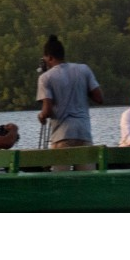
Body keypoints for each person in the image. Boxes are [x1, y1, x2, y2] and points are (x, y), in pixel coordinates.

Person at [36, 34, 103, 170]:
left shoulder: (45, 78)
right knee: (86, 181)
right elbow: (99, 98)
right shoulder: (84, 69)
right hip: (83, 132)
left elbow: (47, 110)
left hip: (62, 135)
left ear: (49, 57)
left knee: (61, 182)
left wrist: (41, 116)